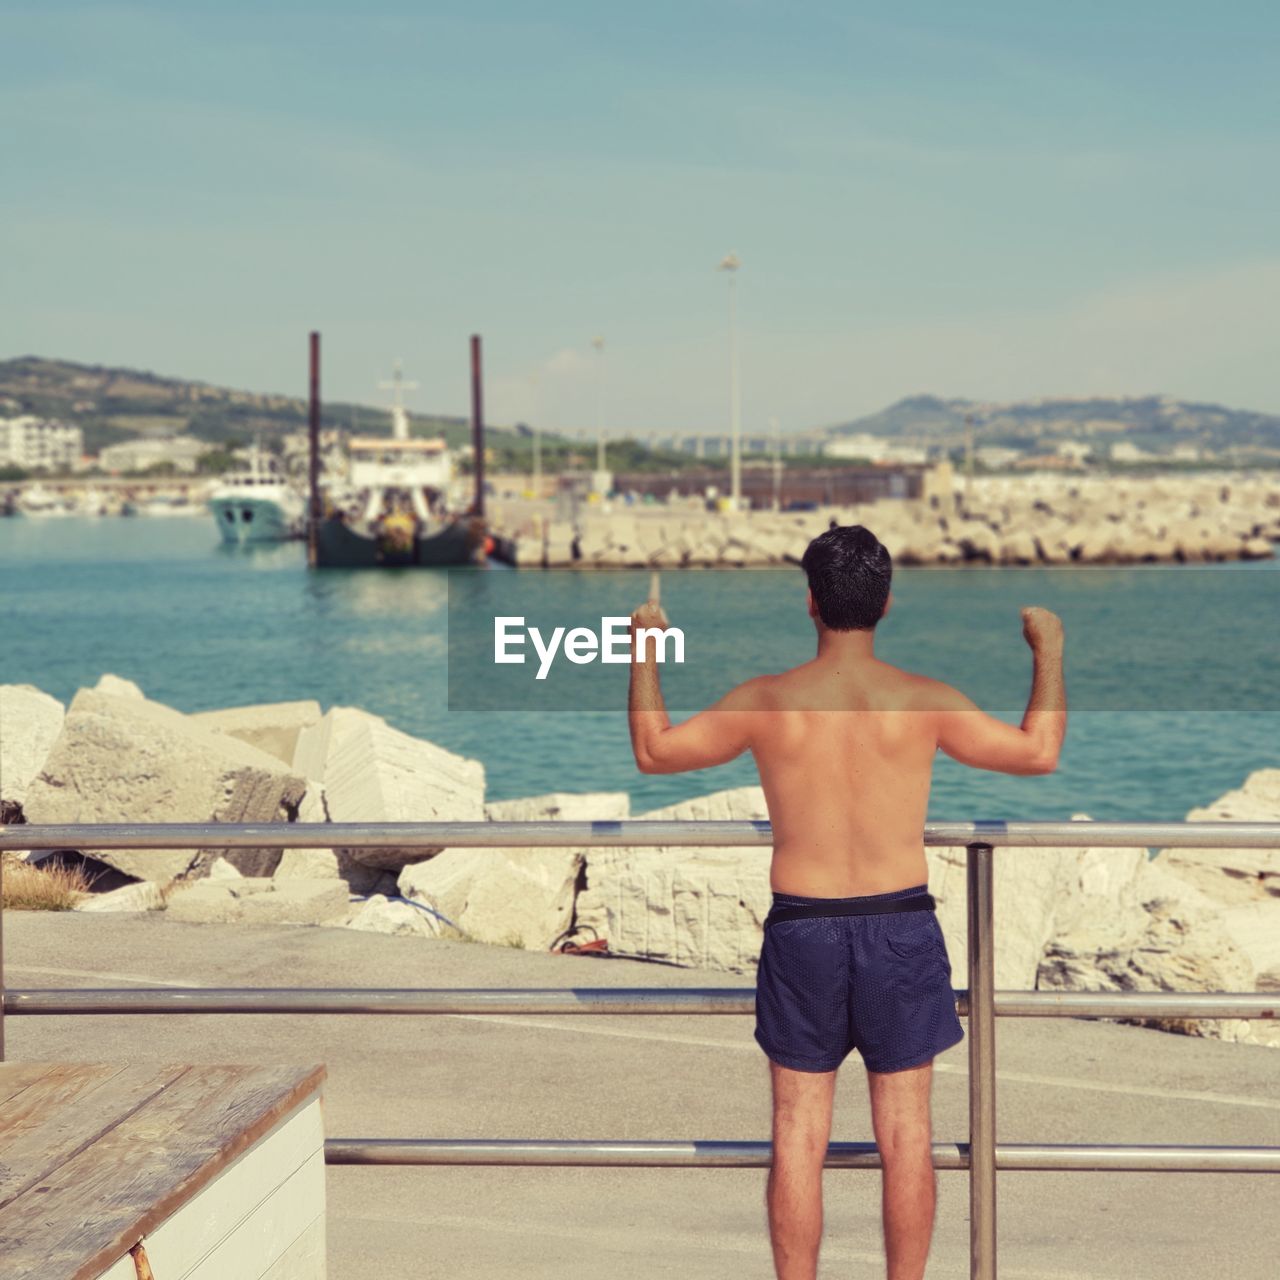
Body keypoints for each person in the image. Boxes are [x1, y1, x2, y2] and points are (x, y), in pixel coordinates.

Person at [627, 524, 1066, 1280]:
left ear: (810, 603)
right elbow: (1038, 752)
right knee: (906, 1132)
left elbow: (655, 751)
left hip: (804, 926)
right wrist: (1049, 649)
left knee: (798, 1131)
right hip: (900, 923)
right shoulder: (922, 700)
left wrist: (643, 645)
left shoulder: (769, 701)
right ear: (886, 602)